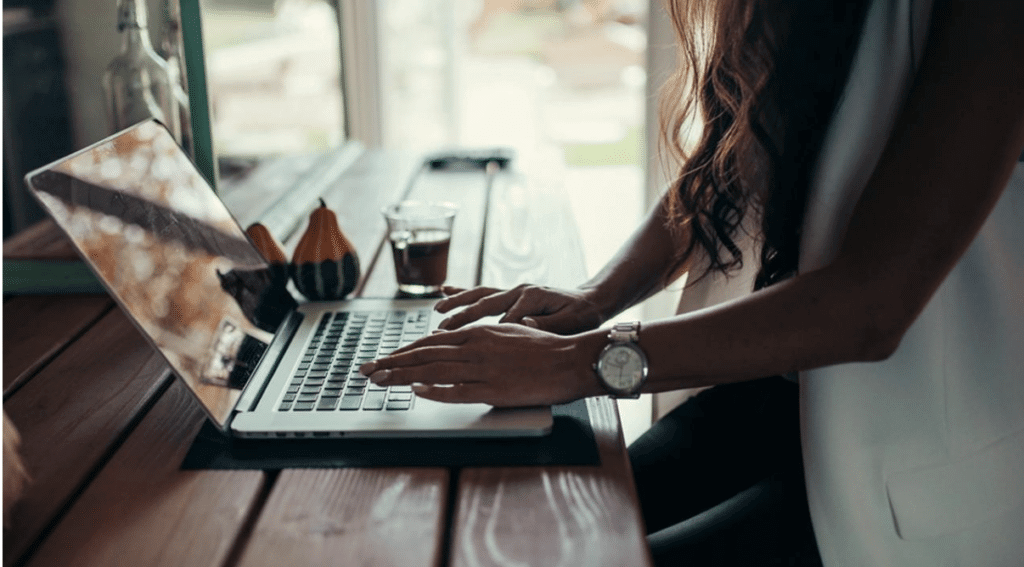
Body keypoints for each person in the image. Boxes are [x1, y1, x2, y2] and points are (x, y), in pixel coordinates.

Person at [360, 0, 1024, 564]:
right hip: (783, 404)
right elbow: (736, 158)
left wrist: (579, 361)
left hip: (908, 466)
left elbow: (872, 306)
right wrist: (596, 296)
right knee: (528, 527)